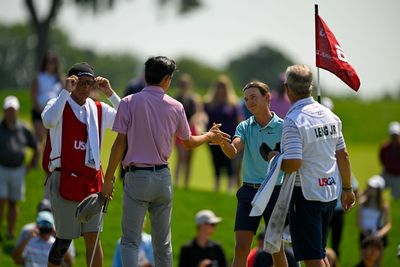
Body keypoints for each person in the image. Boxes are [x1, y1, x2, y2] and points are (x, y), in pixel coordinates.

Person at [101, 56, 229, 267]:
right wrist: (208, 136)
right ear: (167, 79)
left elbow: (118, 145)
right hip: (162, 178)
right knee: (163, 244)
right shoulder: (176, 106)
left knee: (130, 241)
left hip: (136, 177)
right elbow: (187, 142)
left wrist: (108, 179)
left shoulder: (128, 102)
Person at [41, 62, 121, 267]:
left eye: (90, 83)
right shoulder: (57, 103)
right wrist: (64, 92)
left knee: (93, 239)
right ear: (72, 82)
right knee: (63, 240)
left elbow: (126, 118)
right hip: (64, 179)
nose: (86, 87)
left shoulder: (99, 109)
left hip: (92, 182)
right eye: (81, 83)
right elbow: (48, 121)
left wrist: (110, 93)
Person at [279, 64, 356, 267]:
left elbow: (294, 163)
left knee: (313, 259)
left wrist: (275, 160)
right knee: (320, 254)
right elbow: (343, 156)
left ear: (287, 88)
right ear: (310, 87)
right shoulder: (331, 116)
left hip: (305, 194)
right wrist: (347, 188)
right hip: (330, 193)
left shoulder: (293, 120)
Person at [216, 80, 287, 267]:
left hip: (275, 191)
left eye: (254, 97)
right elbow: (233, 151)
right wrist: (223, 142)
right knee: (241, 248)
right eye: (246, 99)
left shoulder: (284, 127)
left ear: (267, 97)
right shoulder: (244, 126)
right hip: (249, 192)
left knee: (275, 248)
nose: (250, 102)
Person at [0, 95, 39, 240]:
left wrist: (31, 165)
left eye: (13, 110)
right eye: (8, 110)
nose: (11, 113)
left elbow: (36, 147)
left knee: (13, 202)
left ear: (17, 111)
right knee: (1, 200)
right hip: (1, 169)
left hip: (18, 169)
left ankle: (10, 231)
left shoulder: (24, 128)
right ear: (4, 111)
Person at [204, 75, 243, 192]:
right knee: (216, 161)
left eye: (223, 86)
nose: (221, 89)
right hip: (213, 139)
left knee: (229, 163)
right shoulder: (208, 103)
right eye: (219, 86)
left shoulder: (233, 104)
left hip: (228, 139)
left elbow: (239, 121)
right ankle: (217, 187)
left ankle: (229, 189)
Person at [14, 199, 75, 266]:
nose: (45, 227)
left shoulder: (61, 235)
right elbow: (17, 259)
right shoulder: (28, 234)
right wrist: (28, 238)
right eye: (42, 223)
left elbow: (69, 263)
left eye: (48, 224)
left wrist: (59, 239)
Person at [174, 73, 206, 188]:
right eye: (182, 83)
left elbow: (200, 113)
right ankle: (177, 182)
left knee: (189, 159)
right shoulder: (176, 97)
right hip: (179, 129)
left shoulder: (195, 98)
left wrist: (194, 120)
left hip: (192, 129)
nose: (184, 86)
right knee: (180, 157)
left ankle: (185, 184)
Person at [30, 51, 64, 149]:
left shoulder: (60, 78)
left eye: (53, 63)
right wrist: (39, 110)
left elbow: (64, 94)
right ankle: (37, 161)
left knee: (51, 139)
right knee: (40, 138)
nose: (51, 65)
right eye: (49, 62)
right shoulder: (39, 77)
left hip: (54, 113)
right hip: (39, 111)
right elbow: (33, 95)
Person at [357, 175, 391, 248]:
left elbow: (388, 224)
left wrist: (379, 234)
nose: (370, 190)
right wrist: (367, 234)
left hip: (378, 236)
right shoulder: (362, 203)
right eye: (370, 187)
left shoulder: (384, 206)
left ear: (379, 191)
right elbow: (359, 222)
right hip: (365, 235)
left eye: (373, 188)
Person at [379, 121, 400, 199]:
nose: (394, 137)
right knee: (375, 188)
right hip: (386, 174)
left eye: (396, 135)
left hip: (398, 177)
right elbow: (382, 159)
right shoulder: (385, 147)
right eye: (393, 135)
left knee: (397, 199)